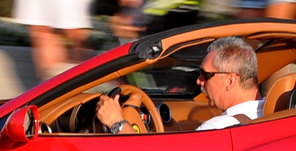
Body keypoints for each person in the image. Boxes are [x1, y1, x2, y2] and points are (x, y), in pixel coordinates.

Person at [96, 35, 261, 133]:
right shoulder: (272, 113)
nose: (199, 81)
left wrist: (116, 122)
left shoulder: (218, 129)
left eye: (205, 75)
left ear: (230, 80)